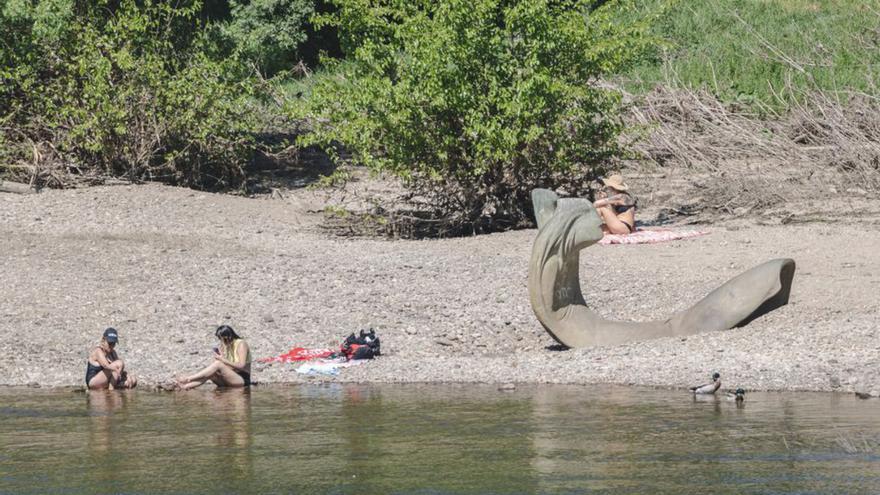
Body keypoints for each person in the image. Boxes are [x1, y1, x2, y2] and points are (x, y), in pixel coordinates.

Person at [176, 325, 252, 390]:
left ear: (228, 337)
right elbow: (230, 367)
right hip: (231, 378)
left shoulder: (241, 344)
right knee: (211, 373)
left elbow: (241, 366)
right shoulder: (228, 346)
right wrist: (222, 358)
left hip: (242, 379)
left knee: (218, 364)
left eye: (222, 339)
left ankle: (188, 378)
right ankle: (185, 386)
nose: (222, 342)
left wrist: (223, 360)